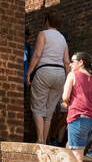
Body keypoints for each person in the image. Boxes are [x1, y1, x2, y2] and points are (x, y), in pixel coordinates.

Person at [25, 11, 69, 146]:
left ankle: (40, 139)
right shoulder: (62, 39)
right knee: (49, 110)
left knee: (38, 105)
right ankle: (45, 140)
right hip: (60, 73)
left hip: (45, 70)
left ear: (47, 21)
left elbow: (37, 54)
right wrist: (67, 79)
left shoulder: (43, 34)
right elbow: (67, 61)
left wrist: (29, 72)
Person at [60, 52, 92, 162]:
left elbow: (65, 96)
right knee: (70, 145)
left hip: (79, 118)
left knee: (77, 156)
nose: (70, 64)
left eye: (72, 61)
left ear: (81, 62)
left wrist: (67, 103)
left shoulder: (73, 75)